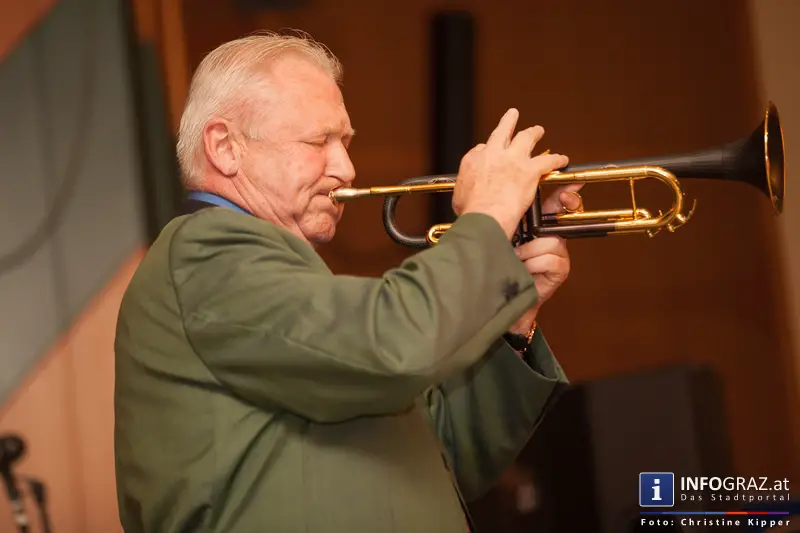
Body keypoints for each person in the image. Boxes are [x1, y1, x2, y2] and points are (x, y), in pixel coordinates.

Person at [113, 32, 583, 533]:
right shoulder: (205, 252)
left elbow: (447, 459)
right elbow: (394, 346)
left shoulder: (281, 279)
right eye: (319, 142)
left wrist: (512, 315)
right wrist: (487, 220)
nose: (346, 168)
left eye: (346, 143)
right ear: (226, 147)